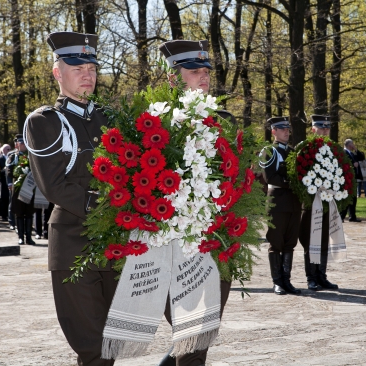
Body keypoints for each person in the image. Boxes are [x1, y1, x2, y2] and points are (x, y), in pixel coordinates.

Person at [24, 32, 116, 366]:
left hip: (116, 242)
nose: (87, 74)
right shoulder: (45, 121)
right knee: (92, 347)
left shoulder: (110, 119)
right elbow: (55, 186)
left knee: (114, 343)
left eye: (91, 67)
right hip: (73, 243)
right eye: (76, 67)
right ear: (57, 73)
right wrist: (109, 207)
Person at [157, 39, 235, 366]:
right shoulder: (156, 122)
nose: (203, 76)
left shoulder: (223, 119)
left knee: (200, 335)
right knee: (191, 335)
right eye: (194, 71)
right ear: (174, 78)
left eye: (205, 71)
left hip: (218, 245)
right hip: (172, 248)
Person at [259, 117, 301, 296]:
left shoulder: (293, 152)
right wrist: (293, 183)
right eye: (282, 129)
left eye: (288, 129)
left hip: (294, 203)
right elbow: (270, 177)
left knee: (290, 242)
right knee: (276, 243)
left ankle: (286, 280)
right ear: (273, 131)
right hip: (277, 202)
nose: (286, 132)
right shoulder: (269, 151)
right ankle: (277, 282)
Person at [299, 115, 338, 291]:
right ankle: (311, 277)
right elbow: (300, 176)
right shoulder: (306, 149)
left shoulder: (333, 150)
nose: (324, 131)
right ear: (313, 130)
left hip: (327, 202)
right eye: (321, 129)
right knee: (311, 242)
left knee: (323, 242)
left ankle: (321, 276)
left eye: (327, 129)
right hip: (310, 203)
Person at [6, 134, 35, 244]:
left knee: (29, 212)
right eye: (20, 143)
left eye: (24, 143)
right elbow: (9, 170)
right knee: (19, 212)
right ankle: (21, 237)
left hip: (29, 186)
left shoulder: (31, 155)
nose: (22, 145)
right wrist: (9, 183)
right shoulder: (13, 156)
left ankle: (29, 237)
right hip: (17, 186)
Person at [340, 139, 361, 222]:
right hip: (347, 178)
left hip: (353, 177)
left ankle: (352, 216)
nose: (353, 145)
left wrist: (356, 149)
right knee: (346, 197)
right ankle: (341, 216)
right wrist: (353, 164)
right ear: (349, 144)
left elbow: (361, 157)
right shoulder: (344, 153)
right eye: (352, 144)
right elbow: (344, 164)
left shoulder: (352, 153)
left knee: (353, 197)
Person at [0, 144, 11, 221]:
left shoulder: (12, 158)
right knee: (4, 198)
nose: (9, 151)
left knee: (10, 199)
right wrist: (4, 170)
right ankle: (3, 215)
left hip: (10, 181)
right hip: (2, 181)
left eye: (10, 149)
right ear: (3, 150)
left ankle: (10, 215)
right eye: (7, 149)